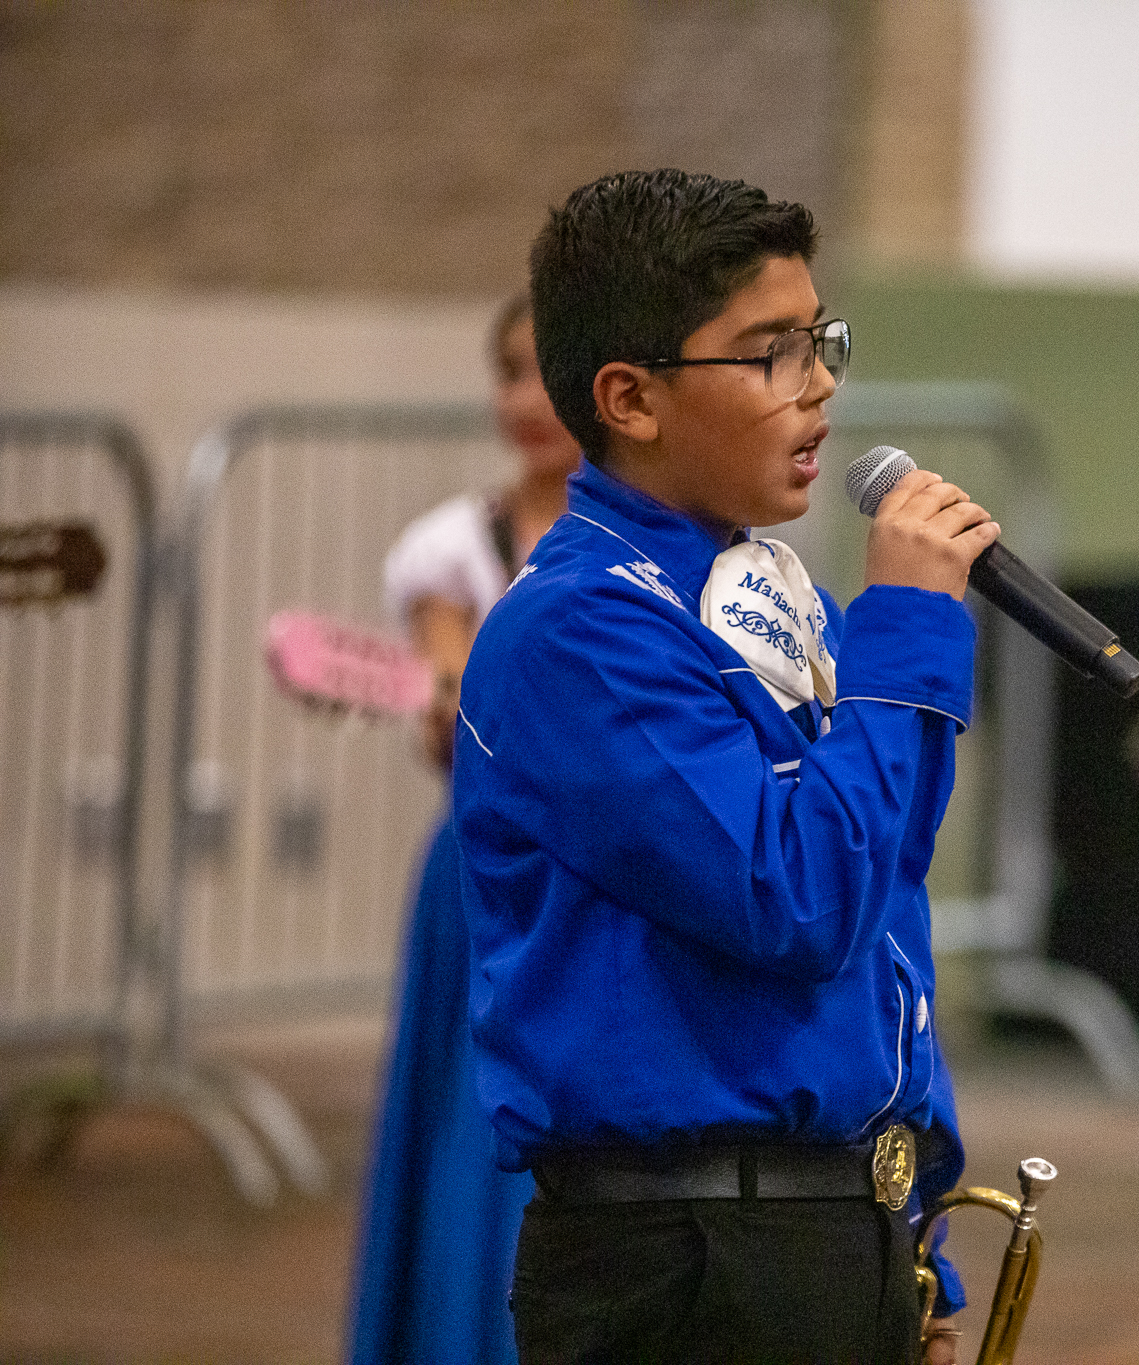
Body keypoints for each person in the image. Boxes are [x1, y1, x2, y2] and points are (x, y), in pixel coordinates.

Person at [452, 169, 995, 1364]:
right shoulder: (577, 631)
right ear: (631, 399)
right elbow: (794, 898)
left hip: (828, 1225)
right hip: (687, 1258)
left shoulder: (772, 603)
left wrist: (915, 1225)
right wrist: (907, 623)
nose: (818, 389)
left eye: (820, 343)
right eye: (768, 355)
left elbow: (882, 919)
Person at [348, 292, 579, 1365]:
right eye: (507, 373)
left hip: (613, 884)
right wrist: (455, 706)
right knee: (477, 1133)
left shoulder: (676, 544)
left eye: (548, 372)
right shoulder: (453, 549)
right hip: (492, 883)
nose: (524, 400)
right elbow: (446, 734)